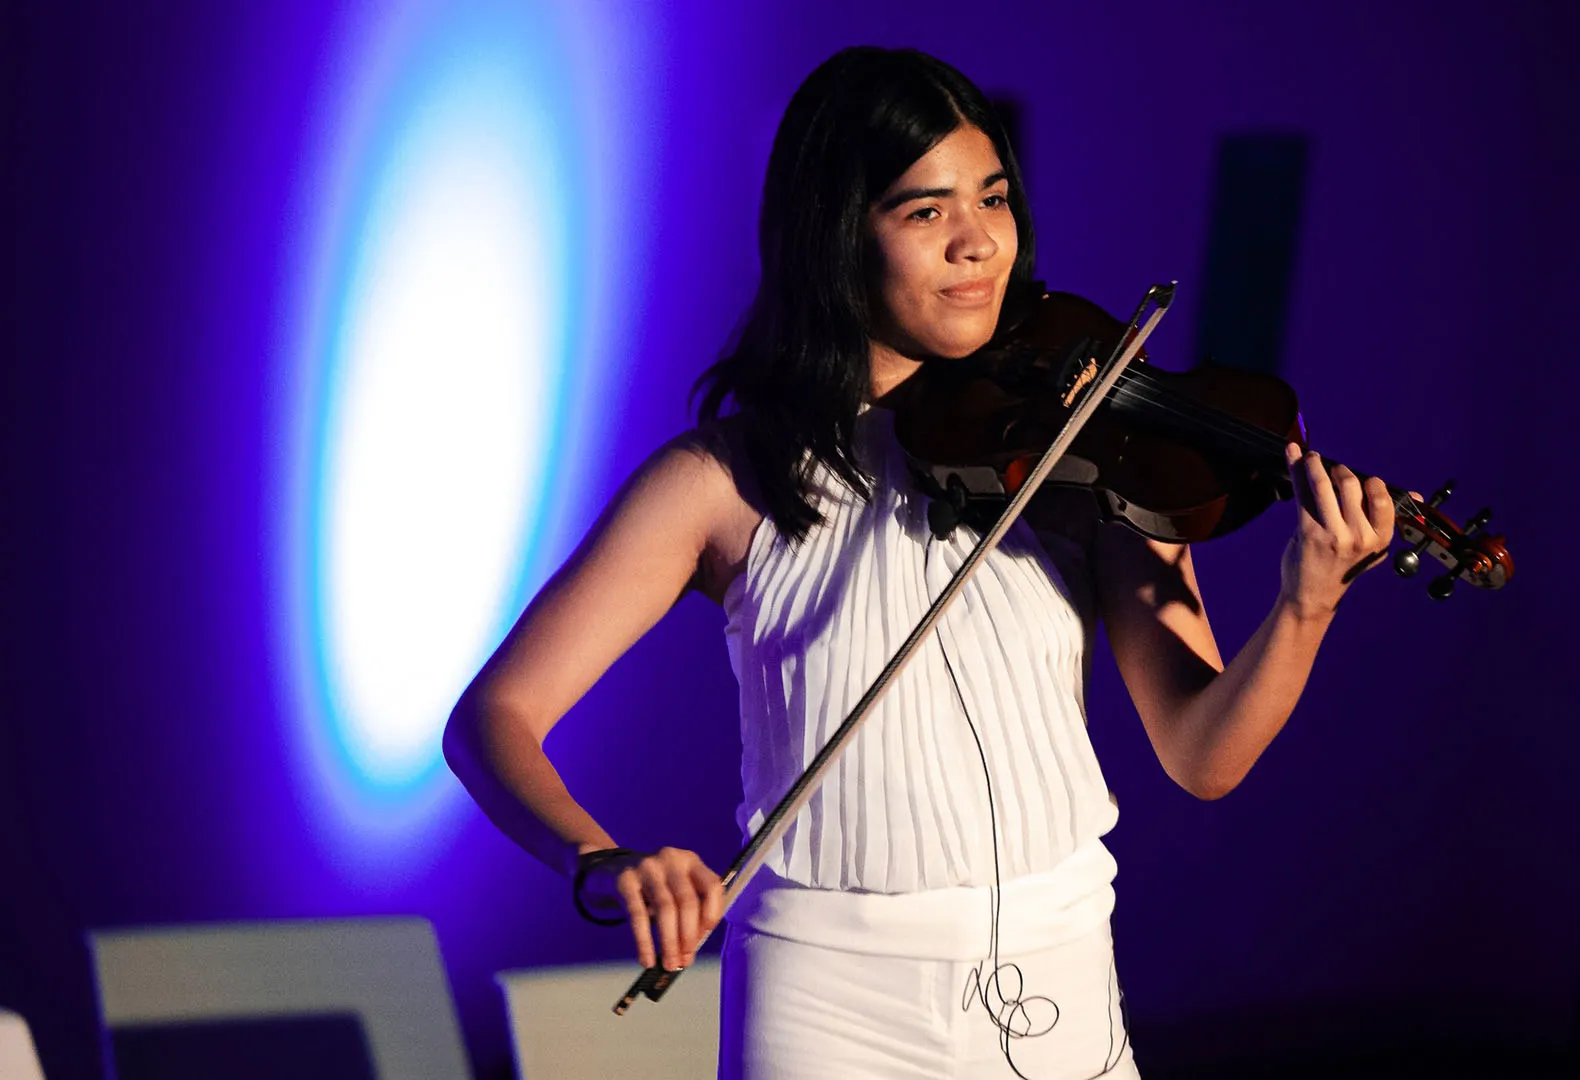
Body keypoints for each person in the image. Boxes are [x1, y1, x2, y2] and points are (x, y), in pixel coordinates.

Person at [443, 45, 1398, 1080]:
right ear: (837, 236)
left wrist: (1306, 605)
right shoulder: (722, 480)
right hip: (826, 1000)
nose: (978, 242)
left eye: (992, 198)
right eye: (925, 210)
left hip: (1060, 966)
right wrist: (601, 859)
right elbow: (495, 717)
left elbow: (1203, 756)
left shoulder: (1090, 451)